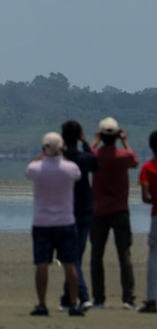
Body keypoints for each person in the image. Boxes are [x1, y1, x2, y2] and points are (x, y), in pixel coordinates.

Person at [26, 132, 83, 317]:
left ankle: (42, 304)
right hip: (65, 221)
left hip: (42, 222)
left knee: (42, 263)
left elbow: (29, 171)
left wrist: (42, 155)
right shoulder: (70, 168)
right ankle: (74, 304)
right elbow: (77, 175)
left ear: (44, 148)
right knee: (70, 264)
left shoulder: (36, 168)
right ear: (61, 147)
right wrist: (60, 155)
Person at [90, 115, 138, 309]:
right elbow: (134, 161)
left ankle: (99, 299)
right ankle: (128, 299)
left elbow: (87, 154)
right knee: (124, 255)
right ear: (117, 135)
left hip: (99, 211)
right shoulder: (123, 156)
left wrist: (96, 140)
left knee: (96, 256)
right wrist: (125, 141)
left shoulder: (96, 156)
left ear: (102, 135)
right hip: (120, 210)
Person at [60, 120, 97, 311]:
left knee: (71, 257)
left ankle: (82, 296)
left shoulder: (61, 159)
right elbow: (96, 163)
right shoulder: (84, 158)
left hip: (67, 211)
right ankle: (68, 297)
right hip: (84, 211)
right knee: (75, 256)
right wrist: (86, 143)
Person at [138, 129, 157, 313]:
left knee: (154, 257)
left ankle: (152, 299)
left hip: (156, 215)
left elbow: (145, 197)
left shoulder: (147, 168)